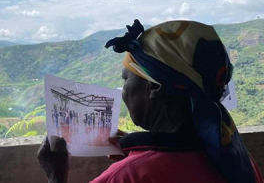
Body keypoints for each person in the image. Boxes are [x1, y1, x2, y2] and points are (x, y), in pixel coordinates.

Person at [37, 20, 264, 183]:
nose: (123, 92)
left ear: (154, 87)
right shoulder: (234, 159)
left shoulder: (127, 176)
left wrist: (55, 175)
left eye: (126, 80)